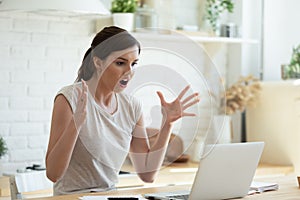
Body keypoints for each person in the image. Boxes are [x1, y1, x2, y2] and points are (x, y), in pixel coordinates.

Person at [45, 26, 200, 195]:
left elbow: (147, 174)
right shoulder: (69, 98)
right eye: (120, 63)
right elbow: (53, 174)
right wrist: (77, 123)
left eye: (133, 64)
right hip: (72, 198)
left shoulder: (131, 106)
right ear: (98, 62)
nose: (129, 72)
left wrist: (167, 124)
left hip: (110, 196)